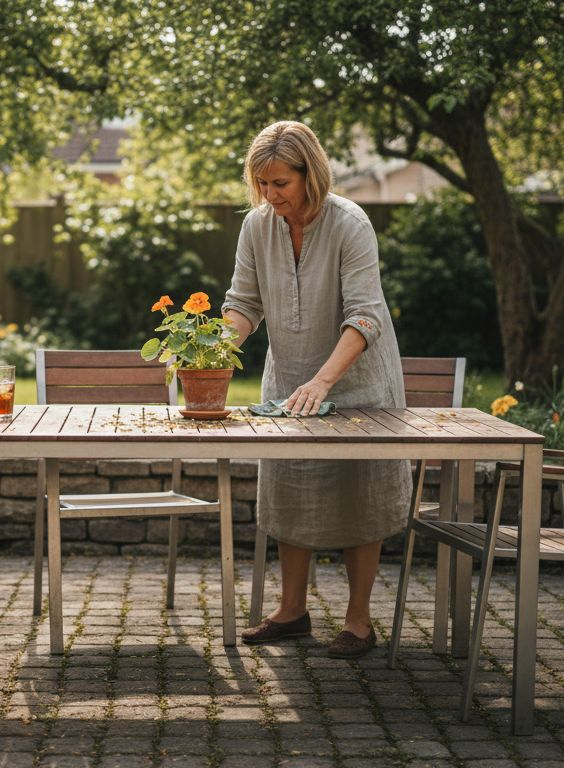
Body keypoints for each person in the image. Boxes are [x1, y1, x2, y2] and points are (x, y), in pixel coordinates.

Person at [221, 121, 411, 658]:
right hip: (288, 383)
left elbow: (366, 315)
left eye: (279, 182)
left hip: (357, 381)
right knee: (290, 487)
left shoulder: (351, 223)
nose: (269, 194)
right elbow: (243, 302)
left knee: (360, 493)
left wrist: (324, 379)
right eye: (260, 183)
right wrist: (215, 351)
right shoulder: (258, 226)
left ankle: (358, 621)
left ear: (311, 173)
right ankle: (292, 611)